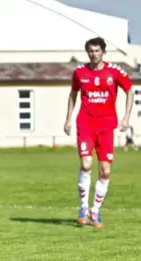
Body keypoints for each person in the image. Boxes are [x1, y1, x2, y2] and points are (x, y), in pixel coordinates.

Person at [64, 36, 133, 228]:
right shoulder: (79, 72)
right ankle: (84, 207)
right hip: (85, 124)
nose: (94, 54)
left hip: (106, 126)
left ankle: (96, 210)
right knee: (86, 164)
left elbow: (130, 91)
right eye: (91, 51)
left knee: (105, 170)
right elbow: (73, 94)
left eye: (97, 51)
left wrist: (126, 117)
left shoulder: (114, 71)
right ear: (87, 52)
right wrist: (68, 118)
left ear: (103, 51)